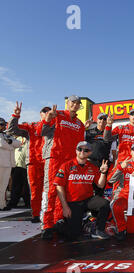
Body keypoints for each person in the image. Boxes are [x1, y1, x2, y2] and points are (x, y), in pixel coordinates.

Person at [40, 96, 86, 239]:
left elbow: (80, 145)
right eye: (73, 102)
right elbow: (41, 131)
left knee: (64, 192)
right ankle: (47, 225)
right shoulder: (57, 114)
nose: (75, 104)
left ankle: (58, 221)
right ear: (67, 103)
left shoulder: (80, 123)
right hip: (55, 158)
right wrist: (48, 119)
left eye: (78, 103)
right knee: (51, 191)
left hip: (70, 162)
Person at [54, 141, 110, 241]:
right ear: (76, 151)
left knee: (105, 204)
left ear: (90, 153)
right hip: (72, 202)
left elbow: (100, 185)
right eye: (80, 149)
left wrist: (103, 172)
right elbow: (59, 187)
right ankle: (61, 224)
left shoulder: (92, 167)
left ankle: (98, 230)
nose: (82, 151)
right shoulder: (66, 165)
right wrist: (65, 207)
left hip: (87, 200)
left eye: (86, 150)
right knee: (74, 234)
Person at [7, 103, 50, 221]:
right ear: (40, 115)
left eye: (49, 112)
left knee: (49, 190)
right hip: (34, 162)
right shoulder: (32, 126)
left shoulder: (56, 127)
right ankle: (36, 214)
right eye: (44, 112)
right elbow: (11, 129)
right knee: (35, 190)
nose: (47, 113)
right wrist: (15, 116)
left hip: (50, 162)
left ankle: (48, 214)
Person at [0, 117, 21, 210]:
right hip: (1, 163)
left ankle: (2, 205)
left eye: (3, 125)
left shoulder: (7, 135)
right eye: (1, 125)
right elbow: (2, 144)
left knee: (3, 187)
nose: (3, 126)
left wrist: (11, 142)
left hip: (7, 163)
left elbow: (19, 143)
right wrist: (11, 146)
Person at [6, 136, 30, 210]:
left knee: (27, 186)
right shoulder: (16, 139)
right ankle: (13, 202)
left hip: (27, 165)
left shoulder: (30, 138)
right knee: (15, 186)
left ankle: (28, 203)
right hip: (16, 165)